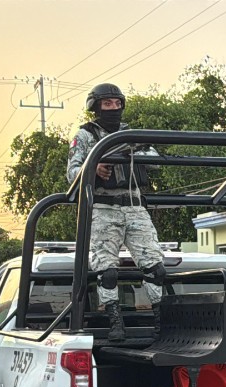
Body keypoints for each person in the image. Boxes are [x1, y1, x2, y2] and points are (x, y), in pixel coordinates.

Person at [67, 83, 165, 342]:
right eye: (107, 104)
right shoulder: (85, 135)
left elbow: (155, 159)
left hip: (134, 205)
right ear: (96, 107)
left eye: (116, 103)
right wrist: (94, 167)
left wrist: (135, 149)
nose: (113, 108)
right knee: (107, 271)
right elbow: (72, 172)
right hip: (103, 206)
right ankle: (114, 320)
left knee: (156, 267)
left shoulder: (131, 133)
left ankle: (160, 320)